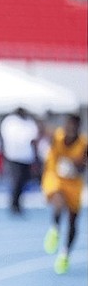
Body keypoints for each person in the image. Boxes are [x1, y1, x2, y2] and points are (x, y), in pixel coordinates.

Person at [41, 113, 87, 274]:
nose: (70, 129)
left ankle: (65, 254)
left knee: (73, 221)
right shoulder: (57, 136)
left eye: (74, 126)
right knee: (58, 200)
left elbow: (83, 167)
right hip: (55, 176)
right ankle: (55, 228)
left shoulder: (84, 144)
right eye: (68, 125)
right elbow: (44, 132)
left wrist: (75, 166)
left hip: (74, 183)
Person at [0, 107, 41, 215]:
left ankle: (17, 202)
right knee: (16, 180)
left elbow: (33, 139)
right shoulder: (10, 122)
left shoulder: (29, 123)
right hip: (14, 156)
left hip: (26, 157)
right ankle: (14, 204)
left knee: (23, 181)